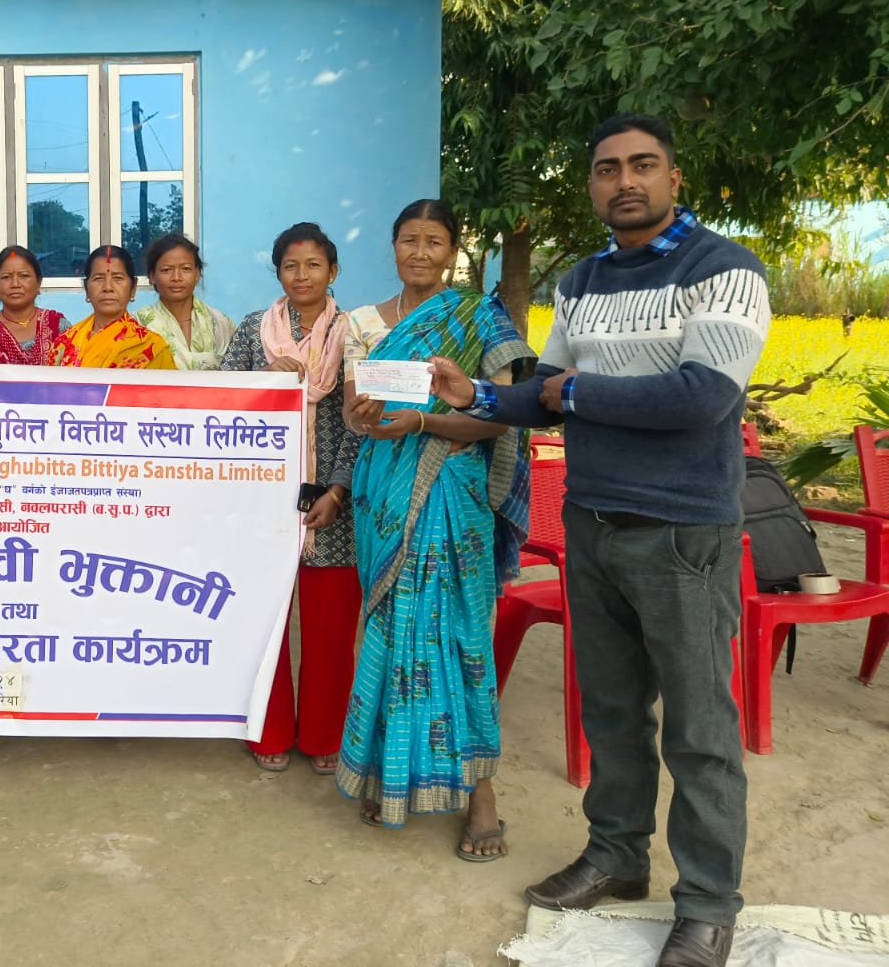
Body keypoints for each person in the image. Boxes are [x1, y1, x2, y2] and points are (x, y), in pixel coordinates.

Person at [429, 114, 771, 967]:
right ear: (591, 186)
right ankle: (617, 857)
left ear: (673, 178)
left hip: (683, 531)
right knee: (613, 711)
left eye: (643, 166)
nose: (626, 181)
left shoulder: (725, 270)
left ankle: (707, 903)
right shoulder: (582, 281)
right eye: (608, 169)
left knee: (699, 727)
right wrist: (474, 391)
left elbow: (699, 397)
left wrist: (575, 395)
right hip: (593, 523)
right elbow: (541, 390)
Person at [336, 199, 534, 863]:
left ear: (452, 250)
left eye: (434, 241)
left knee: (458, 637)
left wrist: (421, 423)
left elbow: (498, 417)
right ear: (392, 246)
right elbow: (353, 410)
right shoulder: (364, 323)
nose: (420, 252)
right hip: (382, 496)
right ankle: (387, 776)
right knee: (391, 635)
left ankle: (481, 798)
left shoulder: (478, 317)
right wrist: (360, 413)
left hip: (452, 494)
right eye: (409, 240)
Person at [219, 222, 360, 773]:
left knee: (330, 628)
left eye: (313, 265)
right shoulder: (257, 330)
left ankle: (325, 737)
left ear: (333, 270)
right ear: (278, 273)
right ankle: (269, 730)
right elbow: (224, 402)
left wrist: (339, 489)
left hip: (334, 500)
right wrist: (265, 379)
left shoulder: (356, 332)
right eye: (290, 266)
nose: (302, 276)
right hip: (262, 499)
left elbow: (362, 422)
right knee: (264, 621)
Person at [49, 245, 177, 369]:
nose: (108, 288)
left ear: (133, 288)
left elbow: (168, 390)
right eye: (98, 278)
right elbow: (47, 389)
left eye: (118, 278)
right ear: (87, 288)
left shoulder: (152, 347)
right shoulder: (65, 342)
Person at [133, 233, 236, 370]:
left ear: (197, 274)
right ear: (152, 276)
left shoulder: (220, 323)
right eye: (166, 270)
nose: (176, 277)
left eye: (185, 269)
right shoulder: (137, 325)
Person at [0, 246, 66, 365]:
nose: (15, 284)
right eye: (6, 277)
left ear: (38, 282)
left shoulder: (58, 326)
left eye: (24, 276)